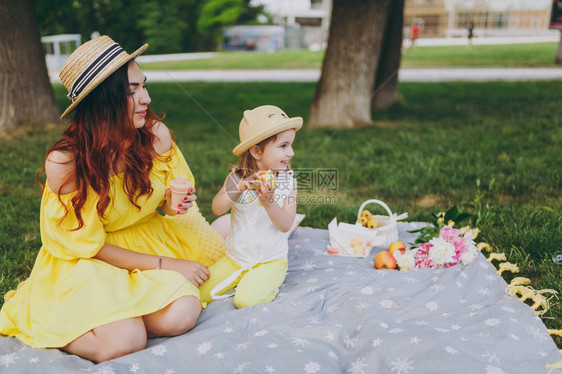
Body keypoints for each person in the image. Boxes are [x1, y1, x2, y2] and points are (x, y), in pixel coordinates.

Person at [0, 36, 225, 363]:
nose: (146, 98)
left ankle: (121, 314)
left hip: (145, 244)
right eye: (131, 90)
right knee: (124, 342)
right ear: (104, 100)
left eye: (144, 86)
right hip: (91, 259)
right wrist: (168, 265)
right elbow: (87, 245)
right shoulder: (66, 164)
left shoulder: (154, 136)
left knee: (181, 315)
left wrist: (175, 202)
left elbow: (166, 206)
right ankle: (56, 318)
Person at [198, 105, 300, 308]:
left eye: (291, 145)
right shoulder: (237, 178)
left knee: (245, 301)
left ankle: (264, 282)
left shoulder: (289, 182)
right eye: (283, 146)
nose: (291, 153)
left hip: (269, 260)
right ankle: (245, 280)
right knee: (198, 293)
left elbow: (285, 225)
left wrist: (269, 203)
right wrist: (238, 189)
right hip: (235, 258)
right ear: (256, 151)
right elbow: (217, 209)